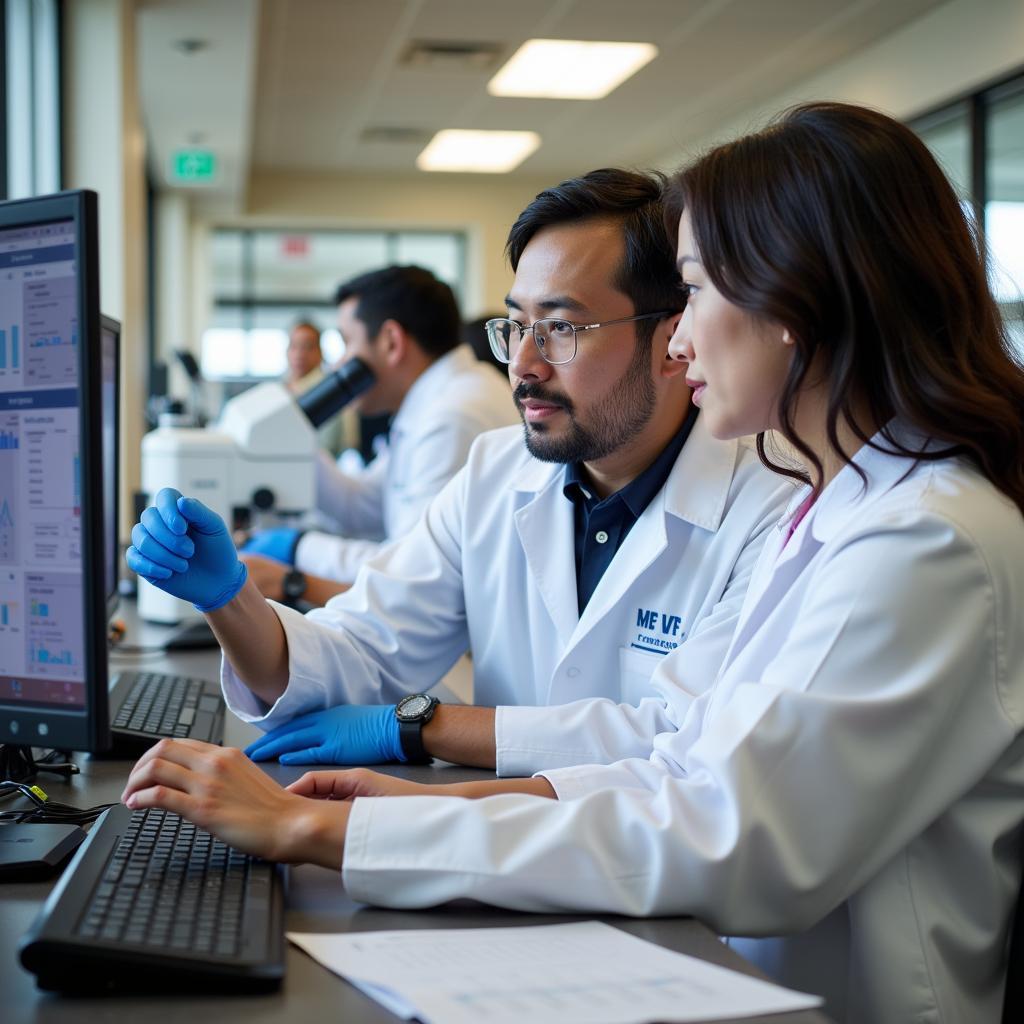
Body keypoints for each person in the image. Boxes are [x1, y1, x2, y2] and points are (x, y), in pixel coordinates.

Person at [124, 105, 1024, 1024]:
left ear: (799, 302)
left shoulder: (922, 540)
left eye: (700, 291)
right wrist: (429, 797)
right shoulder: (847, 505)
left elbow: (730, 829)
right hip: (698, 964)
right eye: (519, 328)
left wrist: (329, 824)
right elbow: (684, 759)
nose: (682, 340)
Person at [126, 168, 792, 772]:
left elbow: (684, 746)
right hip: (503, 860)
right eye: (516, 326)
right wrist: (230, 600)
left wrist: (428, 727)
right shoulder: (497, 474)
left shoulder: (772, 504)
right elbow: (363, 650)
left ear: (674, 342)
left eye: (561, 329)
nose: (523, 365)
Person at [243, 265, 517, 600]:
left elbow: (411, 568)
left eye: (346, 343)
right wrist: (291, 436)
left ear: (391, 341)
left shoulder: (452, 415)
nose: (337, 365)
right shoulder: (432, 403)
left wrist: (298, 547)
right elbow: (359, 506)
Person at [280, 318, 352, 457]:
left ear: (320, 352)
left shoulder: (329, 392)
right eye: (294, 346)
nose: (299, 354)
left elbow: (328, 446)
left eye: (307, 347)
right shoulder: (278, 389)